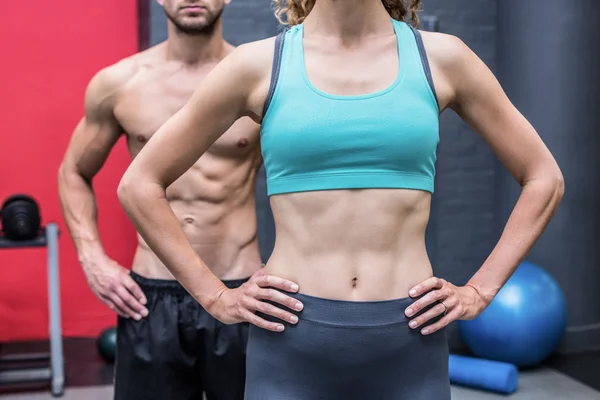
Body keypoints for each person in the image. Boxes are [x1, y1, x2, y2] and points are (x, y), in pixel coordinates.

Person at [117, 0, 565, 398]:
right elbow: (140, 184)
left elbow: (543, 177)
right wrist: (216, 298)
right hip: (291, 345)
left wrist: (479, 292)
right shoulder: (258, 65)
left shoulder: (443, 58)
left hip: (409, 343)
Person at [58, 1, 266, 399]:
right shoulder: (120, 83)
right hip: (152, 298)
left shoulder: (256, 79)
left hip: (241, 289)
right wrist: (92, 257)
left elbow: (307, 176)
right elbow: (73, 172)